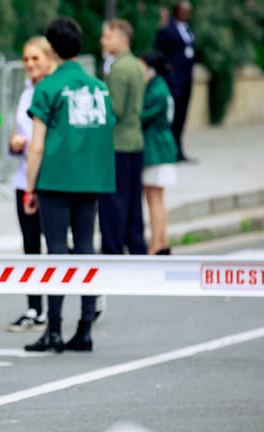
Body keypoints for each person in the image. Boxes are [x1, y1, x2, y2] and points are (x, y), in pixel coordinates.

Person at [22, 17, 115, 353]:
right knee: (87, 248)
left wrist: (30, 187)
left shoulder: (47, 87)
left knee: (57, 250)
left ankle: (55, 329)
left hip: (57, 178)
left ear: (52, 48)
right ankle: (85, 327)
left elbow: (36, 145)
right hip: (91, 178)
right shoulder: (99, 87)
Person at [5, 36, 55, 333]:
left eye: (36, 58)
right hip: (24, 179)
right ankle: (35, 308)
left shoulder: (52, 91)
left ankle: (92, 290)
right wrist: (15, 143)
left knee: (59, 244)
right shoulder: (26, 93)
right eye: (26, 59)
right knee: (31, 244)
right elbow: (19, 134)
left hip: (49, 181)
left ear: (49, 58)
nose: (30, 64)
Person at [99, 18, 147, 256]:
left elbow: (114, 109)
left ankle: (114, 248)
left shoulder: (119, 68)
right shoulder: (136, 65)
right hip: (135, 140)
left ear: (122, 38)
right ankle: (136, 244)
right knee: (132, 201)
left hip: (118, 143)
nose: (103, 40)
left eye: (108, 36)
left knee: (114, 202)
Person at [140, 50, 178, 255]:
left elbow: (141, 115)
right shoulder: (160, 86)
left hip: (157, 149)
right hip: (162, 147)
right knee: (158, 199)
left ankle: (157, 244)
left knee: (153, 199)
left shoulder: (156, 90)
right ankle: (162, 241)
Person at [155, 1, 195, 162]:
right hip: (173, 81)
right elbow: (159, 53)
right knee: (172, 115)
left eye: (188, 11)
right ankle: (169, 151)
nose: (186, 13)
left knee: (182, 116)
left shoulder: (188, 29)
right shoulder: (167, 30)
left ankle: (179, 150)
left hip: (186, 80)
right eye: (183, 10)